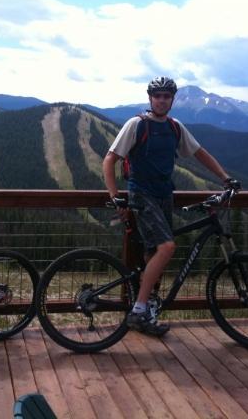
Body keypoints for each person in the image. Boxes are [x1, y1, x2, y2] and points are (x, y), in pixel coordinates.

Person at [102, 76, 240, 336]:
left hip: (165, 195)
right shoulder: (137, 124)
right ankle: (139, 310)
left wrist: (225, 178)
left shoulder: (175, 127)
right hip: (142, 195)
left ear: (172, 99)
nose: (162, 100)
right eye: (158, 96)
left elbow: (200, 153)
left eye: (167, 96)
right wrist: (115, 196)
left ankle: (147, 311)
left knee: (153, 253)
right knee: (167, 247)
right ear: (150, 98)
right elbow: (109, 160)